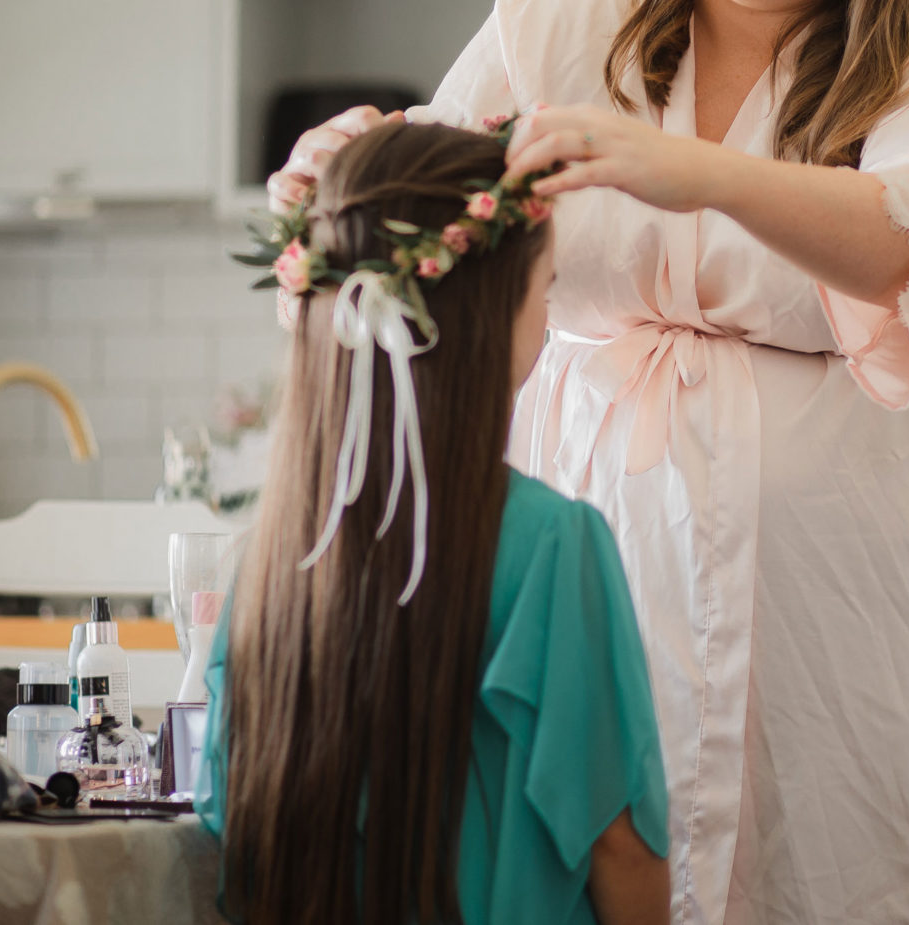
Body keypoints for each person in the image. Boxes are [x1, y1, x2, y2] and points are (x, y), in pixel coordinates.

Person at [273, 0, 909, 924]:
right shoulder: (547, 31)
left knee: (848, 865)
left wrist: (707, 178)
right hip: (593, 544)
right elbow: (423, 212)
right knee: (609, 850)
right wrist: (339, 169)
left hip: (850, 583)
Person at [199, 120, 670, 925]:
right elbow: (620, 844)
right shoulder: (556, 546)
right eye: (545, 288)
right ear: (488, 311)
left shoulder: (265, 565)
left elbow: (221, 814)